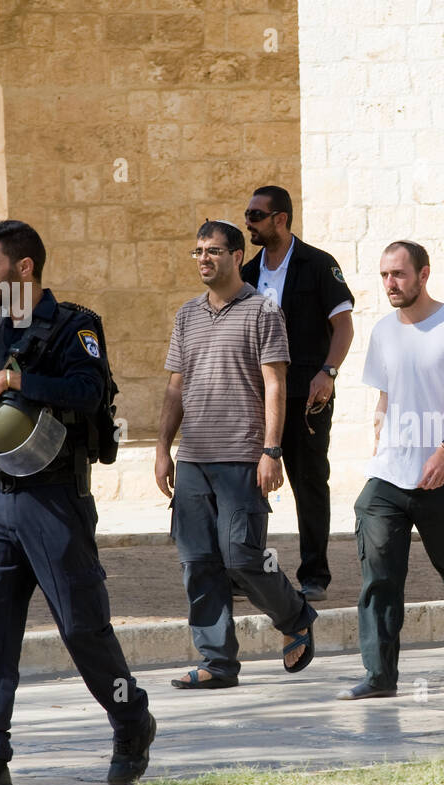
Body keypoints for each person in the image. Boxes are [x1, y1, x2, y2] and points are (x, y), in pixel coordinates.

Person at [0, 220, 154, 785]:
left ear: (23, 268)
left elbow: (88, 393)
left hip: (55, 500)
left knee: (82, 626)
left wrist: (17, 376)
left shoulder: (76, 325)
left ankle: (132, 723)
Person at [340, 241, 444, 700]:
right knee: (379, 575)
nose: (390, 284)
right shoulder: (382, 332)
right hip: (389, 477)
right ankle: (379, 675)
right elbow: (384, 398)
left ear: (423, 274)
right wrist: (379, 443)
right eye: (384, 276)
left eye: (398, 274)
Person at [155, 219, 317, 689]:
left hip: (243, 457)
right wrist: (164, 448)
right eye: (198, 251)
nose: (204, 258)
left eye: (213, 251)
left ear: (236, 256)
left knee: (241, 557)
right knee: (197, 561)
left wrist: (271, 450)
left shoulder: (263, 311)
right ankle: (217, 662)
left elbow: (275, 384)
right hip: (193, 460)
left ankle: (295, 614)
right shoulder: (186, 315)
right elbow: (175, 387)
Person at [240, 186, 354, 602]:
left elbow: (343, 326)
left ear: (281, 219)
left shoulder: (319, 265)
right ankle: (246, 570)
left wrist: (329, 372)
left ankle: (314, 575)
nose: (248, 222)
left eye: (256, 215)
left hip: (307, 395)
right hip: (256, 396)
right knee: (249, 483)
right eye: (248, 214)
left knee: (309, 482)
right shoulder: (247, 272)